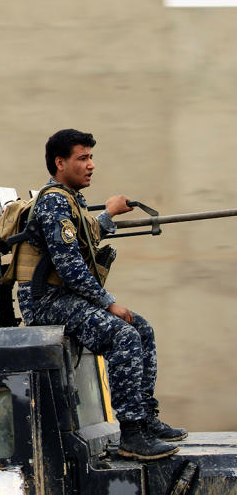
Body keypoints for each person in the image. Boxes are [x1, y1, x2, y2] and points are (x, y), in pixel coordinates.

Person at [15, 129, 186, 461]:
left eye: (91, 157)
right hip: (47, 302)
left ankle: (145, 418)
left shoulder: (69, 199)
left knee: (141, 328)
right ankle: (132, 433)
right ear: (59, 162)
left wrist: (111, 213)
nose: (91, 165)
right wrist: (108, 303)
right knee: (123, 335)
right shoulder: (53, 201)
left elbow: (86, 233)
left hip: (62, 297)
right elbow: (69, 265)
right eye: (83, 158)